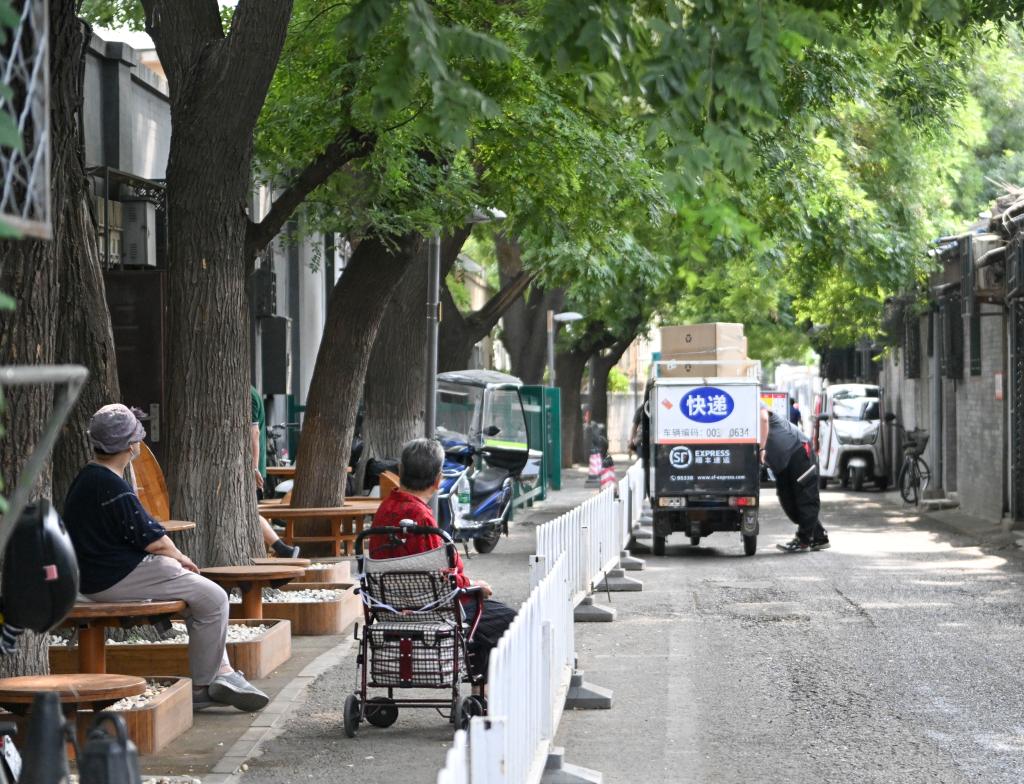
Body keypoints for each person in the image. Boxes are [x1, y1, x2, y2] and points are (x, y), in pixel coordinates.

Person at [63, 404, 270, 712]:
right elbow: (153, 540)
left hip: (96, 577)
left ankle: (219, 674)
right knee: (213, 598)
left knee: (197, 599)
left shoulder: (89, 479)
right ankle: (208, 682)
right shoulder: (111, 484)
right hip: (111, 578)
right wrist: (181, 558)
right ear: (131, 446)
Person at [368, 438, 516, 684]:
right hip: (431, 608)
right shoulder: (422, 519)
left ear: (401, 472)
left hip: (388, 607)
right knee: (507, 620)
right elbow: (438, 578)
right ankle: (483, 689)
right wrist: (472, 584)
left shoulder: (384, 510)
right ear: (437, 480)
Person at [759, 403, 830, 553]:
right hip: (781, 464)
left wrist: (762, 448)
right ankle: (818, 536)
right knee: (788, 501)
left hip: (797, 450)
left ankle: (804, 540)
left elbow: (764, 419)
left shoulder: (753, 403)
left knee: (805, 497)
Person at [251, 386, 300, 558]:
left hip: (250, 469)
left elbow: (254, 433)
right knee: (251, 511)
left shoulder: (248, 395)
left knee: (250, 511)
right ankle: (282, 549)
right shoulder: (252, 393)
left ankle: (282, 549)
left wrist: (254, 468)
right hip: (251, 467)